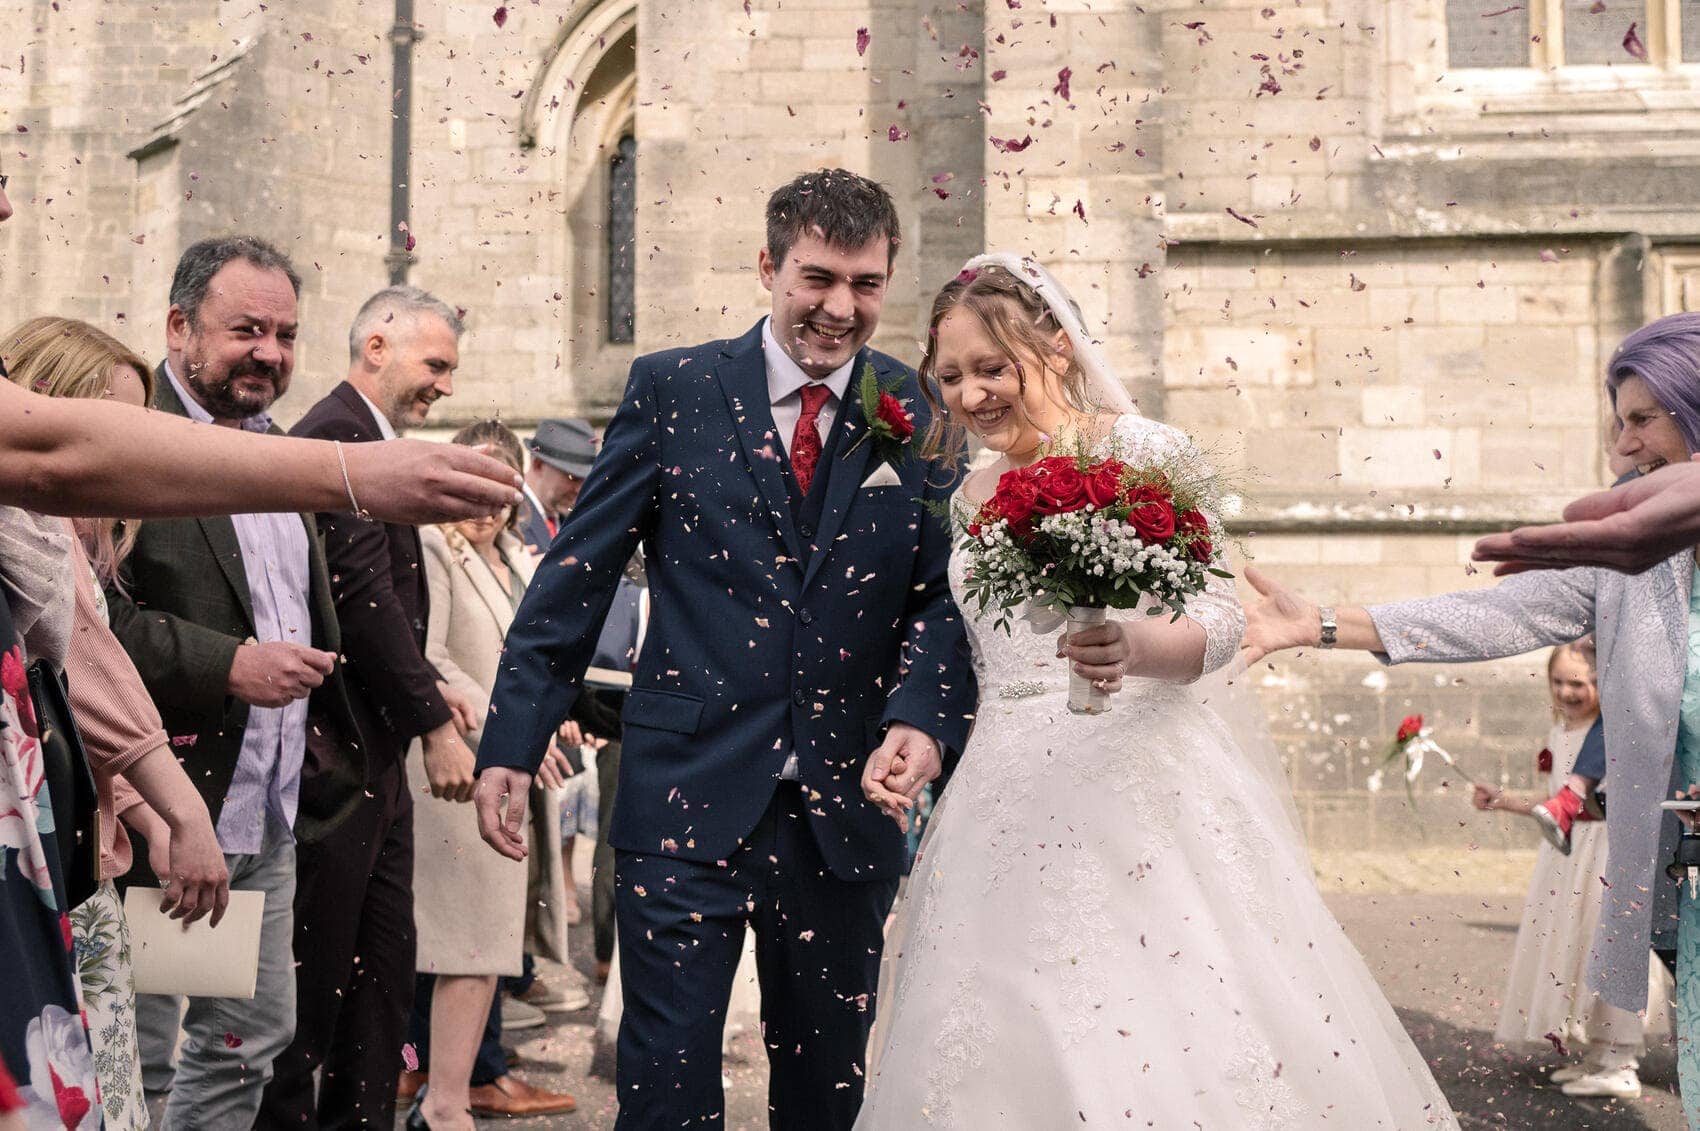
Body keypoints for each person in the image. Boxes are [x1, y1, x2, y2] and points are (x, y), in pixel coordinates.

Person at [474, 170, 1080, 1131]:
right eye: (817, 278)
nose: (841, 307)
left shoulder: (920, 409)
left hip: (845, 816)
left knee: (824, 1097)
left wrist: (920, 720)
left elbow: (941, 594)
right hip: (682, 800)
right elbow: (576, 578)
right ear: (769, 266)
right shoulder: (671, 389)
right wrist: (512, 738)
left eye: (866, 283)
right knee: (666, 1096)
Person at [851, 255, 1455, 1127]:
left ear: (1057, 348)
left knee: (1165, 1015)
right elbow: (980, 648)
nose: (970, 394)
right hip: (1005, 795)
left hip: (1141, 783)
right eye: (949, 377)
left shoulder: (1146, 451)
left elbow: (1217, 623)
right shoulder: (970, 491)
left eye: (991, 368)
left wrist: (1132, 645)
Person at [1240, 310, 1700, 1127]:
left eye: (1642, 419)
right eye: (1617, 422)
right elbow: (1494, 615)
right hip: (1683, 876)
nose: (1623, 445)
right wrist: (1315, 623)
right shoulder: (1623, 560)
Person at [91, 238, 365, 1127]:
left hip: (265, 810)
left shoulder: (279, 454)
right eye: (246, 329)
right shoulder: (134, 438)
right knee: (141, 1050)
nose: (271, 353)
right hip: (166, 808)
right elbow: (90, 618)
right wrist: (230, 663)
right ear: (179, 328)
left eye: (286, 334)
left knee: (246, 1039)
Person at [2, 315, 236, 1129]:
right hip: (49, 877)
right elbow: (88, 668)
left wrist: (139, 809)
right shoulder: (37, 528)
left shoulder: (69, 532)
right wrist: (180, 805)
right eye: (117, 424)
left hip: (79, 866)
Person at [260, 285, 482, 1131]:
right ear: (378, 345)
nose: (446, 388)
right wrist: (431, 723)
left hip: (371, 759)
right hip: (337, 760)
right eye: (437, 365)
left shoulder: (371, 437)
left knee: (381, 978)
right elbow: (363, 599)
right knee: (317, 993)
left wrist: (435, 693)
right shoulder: (339, 438)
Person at [404, 421, 577, 1128]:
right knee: (466, 945)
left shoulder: (518, 558)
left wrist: (555, 714)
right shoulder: (431, 548)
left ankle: (444, 1088)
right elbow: (431, 657)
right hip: (458, 771)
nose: (487, 507)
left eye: (500, 492)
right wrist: (512, 730)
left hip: (511, 772)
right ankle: (445, 1102)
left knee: (485, 945)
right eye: (473, 489)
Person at [1472, 640, 1669, 1098]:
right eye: (1558, 681)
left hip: (1606, 851)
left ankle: (1621, 1058)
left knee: (1608, 947)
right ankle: (1598, 1053)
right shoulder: (1561, 730)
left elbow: (1602, 807)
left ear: (1604, 683)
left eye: (1578, 683)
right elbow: (1558, 805)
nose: (1567, 692)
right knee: (1577, 950)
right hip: (1569, 854)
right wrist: (1504, 801)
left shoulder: (1616, 731)